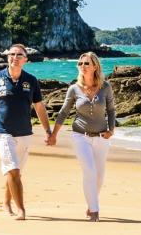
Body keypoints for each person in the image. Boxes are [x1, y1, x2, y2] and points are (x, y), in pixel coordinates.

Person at [0, 43, 52, 220]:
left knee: (14, 172)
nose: (15, 57)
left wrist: (48, 131)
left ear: (25, 60)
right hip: (3, 132)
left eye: (19, 55)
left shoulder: (31, 80)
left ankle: (6, 203)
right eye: (12, 54)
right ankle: (21, 209)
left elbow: (39, 107)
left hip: (25, 133)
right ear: (7, 57)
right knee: (14, 171)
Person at [48, 52, 115, 222]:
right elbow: (64, 112)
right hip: (80, 136)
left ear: (95, 67)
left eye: (86, 63)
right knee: (89, 172)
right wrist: (53, 134)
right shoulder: (74, 88)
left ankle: (91, 203)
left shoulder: (105, 87)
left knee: (99, 176)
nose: (82, 66)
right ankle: (94, 211)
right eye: (80, 63)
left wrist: (111, 129)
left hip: (101, 137)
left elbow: (111, 110)